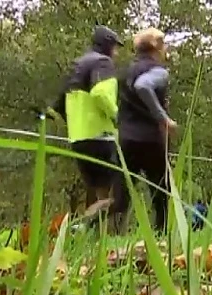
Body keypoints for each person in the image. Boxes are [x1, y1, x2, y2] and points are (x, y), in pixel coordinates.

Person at [112, 27, 178, 233]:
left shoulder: (124, 72)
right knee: (160, 191)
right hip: (151, 140)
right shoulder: (159, 71)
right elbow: (143, 86)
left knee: (122, 192)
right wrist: (164, 118)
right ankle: (161, 234)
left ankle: (110, 235)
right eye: (164, 44)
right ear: (156, 47)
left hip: (126, 139)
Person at [50, 25, 123, 210]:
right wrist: (118, 118)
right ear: (107, 45)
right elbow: (100, 94)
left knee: (100, 192)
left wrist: (45, 116)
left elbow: (58, 105)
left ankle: (98, 235)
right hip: (101, 135)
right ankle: (88, 228)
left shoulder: (76, 66)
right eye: (115, 47)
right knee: (120, 192)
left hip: (79, 138)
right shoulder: (103, 63)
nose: (116, 53)